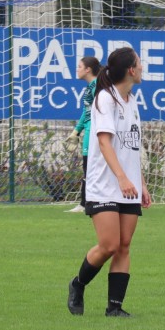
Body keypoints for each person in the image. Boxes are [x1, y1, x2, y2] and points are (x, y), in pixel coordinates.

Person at [67, 47, 151, 317]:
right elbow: (104, 143)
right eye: (139, 63)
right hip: (104, 184)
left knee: (124, 245)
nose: (143, 68)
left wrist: (141, 183)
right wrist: (122, 178)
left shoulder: (132, 101)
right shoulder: (105, 98)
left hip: (129, 186)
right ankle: (78, 284)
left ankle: (115, 308)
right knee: (109, 245)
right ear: (131, 70)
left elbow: (131, 149)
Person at [64, 56, 102, 213]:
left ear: (88, 69)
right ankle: (85, 202)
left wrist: (94, 131)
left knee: (90, 167)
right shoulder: (90, 87)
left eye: (80, 66)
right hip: (89, 131)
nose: (77, 69)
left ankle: (86, 203)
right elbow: (86, 112)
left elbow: (99, 112)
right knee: (88, 167)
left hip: (94, 132)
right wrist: (76, 131)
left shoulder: (97, 86)